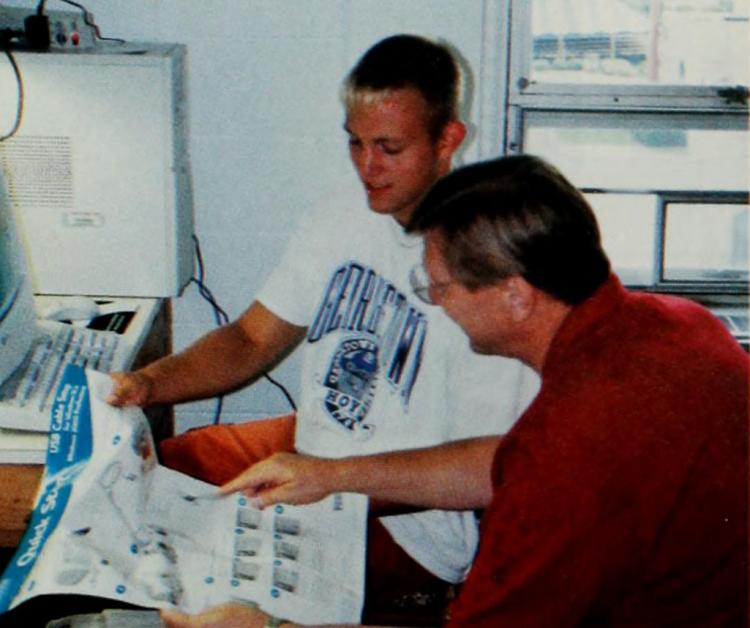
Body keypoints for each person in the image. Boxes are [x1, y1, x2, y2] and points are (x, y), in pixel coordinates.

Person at [161, 154, 749, 627]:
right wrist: (333, 475)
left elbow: (550, 472)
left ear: (515, 295)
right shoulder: (670, 320)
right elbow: (509, 462)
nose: (432, 300)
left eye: (440, 286)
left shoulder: (573, 451)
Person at [108, 35, 537, 622]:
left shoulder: (487, 264)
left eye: (389, 147)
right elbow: (252, 339)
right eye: (355, 143)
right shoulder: (340, 214)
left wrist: (329, 481)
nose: (368, 167)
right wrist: (148, 385)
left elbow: (489, 468)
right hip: (311, 459)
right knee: (141, 478)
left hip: (408, 523)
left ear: (448, 141)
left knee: (213, 598)